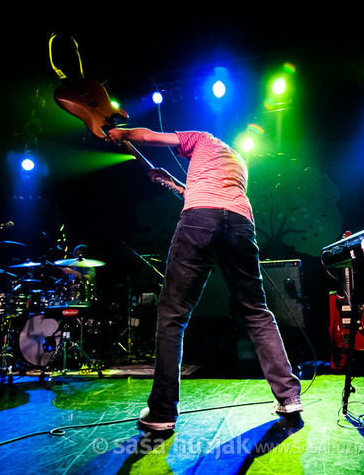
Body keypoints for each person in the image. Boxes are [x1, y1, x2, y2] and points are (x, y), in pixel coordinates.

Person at [106, 128, 302, 431]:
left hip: (200, 220)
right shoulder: (238, 161)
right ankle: (289, 397)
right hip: (240, 224)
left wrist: (123, 133)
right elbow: (214, 195)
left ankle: (162, 412)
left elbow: (149, 137)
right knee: (256, 311)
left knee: (172, 315)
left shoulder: (202, 138)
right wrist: (175, 184)